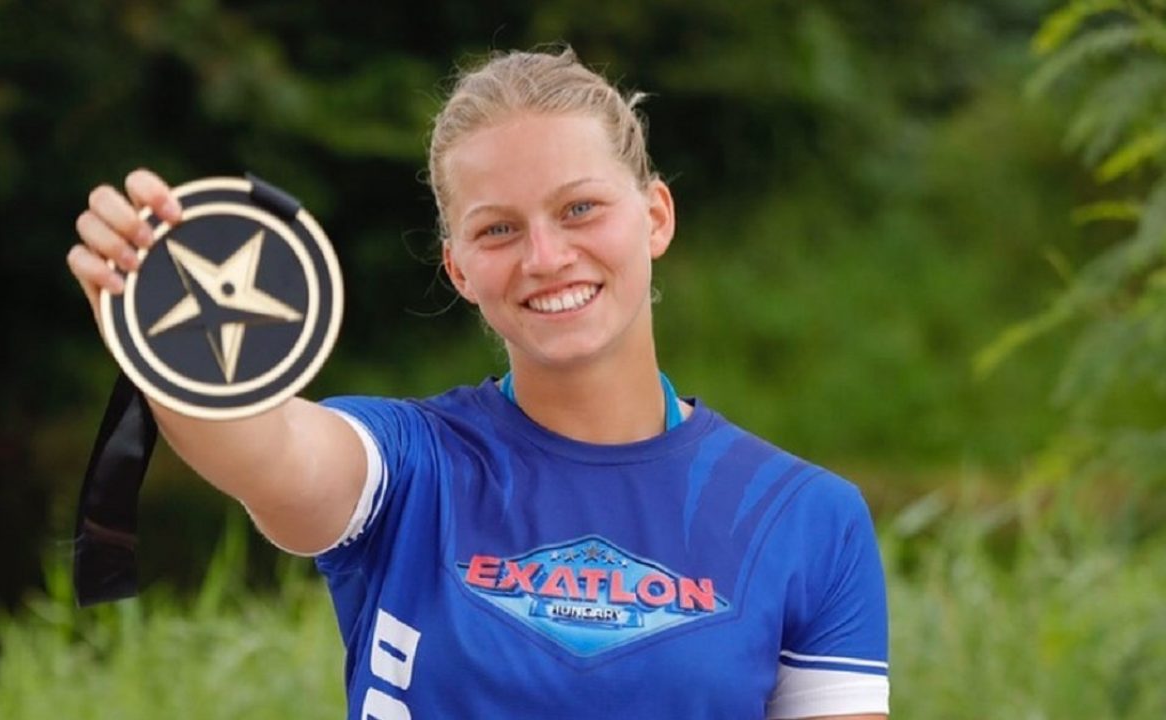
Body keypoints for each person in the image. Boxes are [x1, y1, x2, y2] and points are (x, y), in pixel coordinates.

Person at [67, 47, 889, 720]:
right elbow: (268, 449)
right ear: (458, 267)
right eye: (498, 229)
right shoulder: (409, 465)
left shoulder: (808, 519)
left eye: (580, 209)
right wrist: (157, 319)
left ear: (656, 216)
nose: (546, 257)